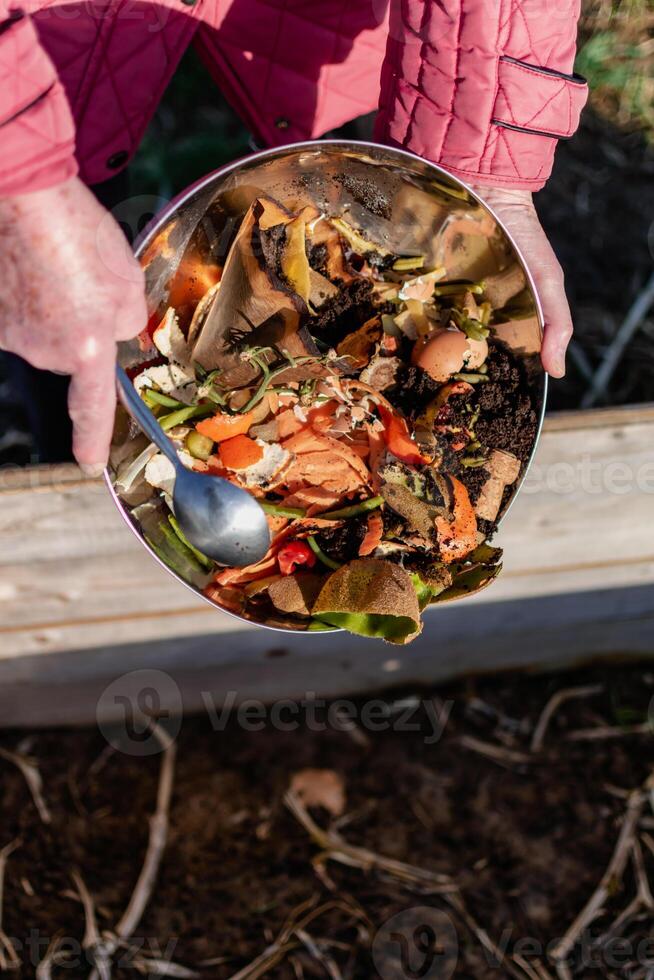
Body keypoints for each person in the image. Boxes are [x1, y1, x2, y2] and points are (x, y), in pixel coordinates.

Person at [0, 0, 587, 474]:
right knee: (59, 304)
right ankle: (59, 456)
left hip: (320, 26)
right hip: (35, 44)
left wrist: (477, 152)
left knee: (347, 203)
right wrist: (20, 183)